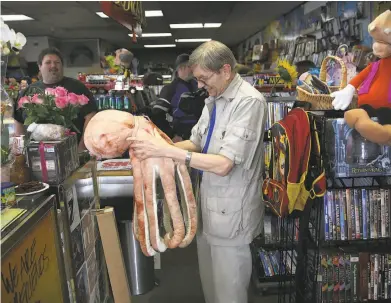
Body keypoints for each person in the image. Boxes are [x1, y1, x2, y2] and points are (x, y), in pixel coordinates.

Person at [129, 40, 267, 303]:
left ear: (225, 70)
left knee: (230, 292)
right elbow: (197, 141)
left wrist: (171, 153)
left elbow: (225, 164)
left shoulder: (249, 102)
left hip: (232, 213)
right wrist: (156, 147)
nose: (200, 85)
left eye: (204, 78)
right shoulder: (214, 98)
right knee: (212, 289)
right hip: (208, 206)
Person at [14, 47, 97, 151]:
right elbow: (18, 122)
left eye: (57, 62)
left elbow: (91, 117)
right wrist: (20, 151)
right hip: (37, 154)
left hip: (72, 151)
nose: (53, 65)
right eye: (48, 62)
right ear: (40, 66)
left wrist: (82, 148)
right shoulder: (28, 91)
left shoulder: (78, 87)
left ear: (62, 66)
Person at [158, 54, 198, 142]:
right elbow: (158, 114)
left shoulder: (198, 86)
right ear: (181, 68)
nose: (193, 70)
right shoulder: (170, 89)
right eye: (189, 66)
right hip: (180, 137)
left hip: (198, 136)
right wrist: (171, 135)